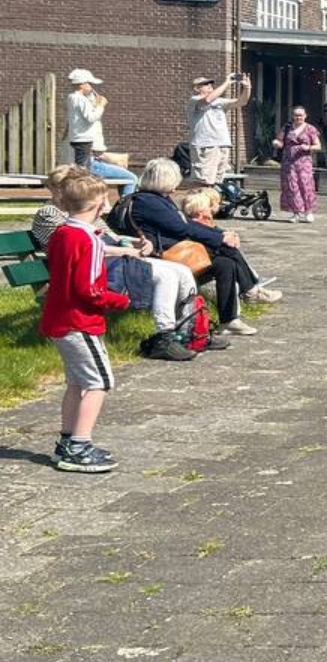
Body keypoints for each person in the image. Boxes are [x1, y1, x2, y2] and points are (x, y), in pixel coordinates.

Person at [31, 166, 203, 362]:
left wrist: (138, 242)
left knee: (181, 270)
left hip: (114, 258)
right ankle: (164, 335)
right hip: (98, 265)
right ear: (54, 189)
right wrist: (127, 251)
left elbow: (110, 236)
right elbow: (77, 250)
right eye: (64, 186)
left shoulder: (84, 212)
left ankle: (190, 329)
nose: (71, 190)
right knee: (166, 276)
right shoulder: (51, 214)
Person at [40, 172, 131, 473]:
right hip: (80, 322)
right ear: (100, 203)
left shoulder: (62, 233)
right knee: (99, 382)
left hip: (58, 318)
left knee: (76, 382)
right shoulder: (88, 240)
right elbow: (89, 290)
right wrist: (120, 301)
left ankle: (67, 440)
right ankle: (80, 445)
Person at [132, 158, 279, 336]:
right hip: (167, 254)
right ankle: (251, 290)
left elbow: (185, 224)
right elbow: (182, 228)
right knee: (227, 249)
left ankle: (229, 319)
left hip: (178, 248)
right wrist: (220, 238)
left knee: (226, 263)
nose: (177, 185)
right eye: (173, 181)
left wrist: (220, 234)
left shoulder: (158, 199)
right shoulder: (147, 202)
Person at [188, 74, 251, 184]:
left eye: (210, 83)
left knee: (218, 181)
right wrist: (227, 82)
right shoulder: (194, 100)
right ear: (197, 88)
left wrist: (247, 87)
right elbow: (207, 100)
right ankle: (199, 200)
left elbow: (242, 102)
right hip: (206, 145)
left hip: (222, 144)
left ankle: (213, 200)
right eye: (205, 84)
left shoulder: (220, 101)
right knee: (204, 181)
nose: (209, 85)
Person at [273, 106, 322, 223]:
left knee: (306, 186)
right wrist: (276, 143)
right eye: (296, 115)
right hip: (288, 162)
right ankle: (296, 213)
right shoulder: (287, 127)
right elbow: (280, 141)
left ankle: (308, 211)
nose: (298, 117)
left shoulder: (310, 129)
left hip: (304, 162)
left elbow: (318, 146)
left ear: (305, 116)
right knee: (291, 186)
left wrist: (308, 147)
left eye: (300, 115)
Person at [65, 69, 107, 168]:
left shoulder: (72, 97)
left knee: (82, 165)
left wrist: (94, 104)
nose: (91, 87)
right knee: (82, 168)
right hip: (83, 139)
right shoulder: (81, 99)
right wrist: (101, 106)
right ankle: (80, 182)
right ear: (82, 84)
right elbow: (91, 118)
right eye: (89, 84)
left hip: (78, 138)